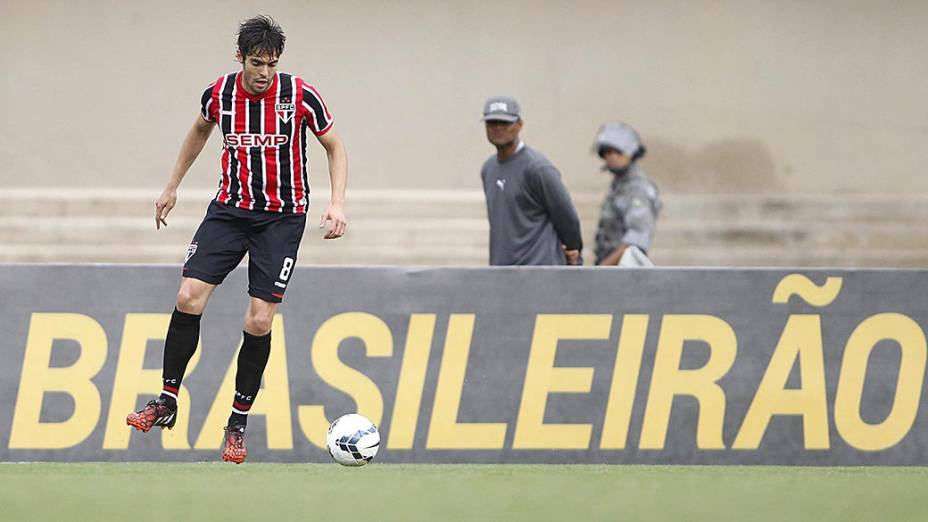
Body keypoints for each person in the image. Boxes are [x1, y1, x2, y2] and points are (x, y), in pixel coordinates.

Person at [125, 15, 348, 464]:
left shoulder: (301, 95)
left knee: (259, 321)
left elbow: (335, 147)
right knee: (188, 296)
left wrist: (336, 201)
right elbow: (199, 130)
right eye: (255, 62)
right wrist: (172, 186)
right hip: (229, 211)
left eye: (271, 62)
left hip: (281, 219)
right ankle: (166, 400)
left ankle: (237, 423)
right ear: (239, 58)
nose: (264, 72)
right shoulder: (221, 93)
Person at [479, 96, 583, 266]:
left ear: (520, 125)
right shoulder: (488, 169)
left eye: (505, 123)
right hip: (501, 272)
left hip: (538, 271)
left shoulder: (537, 168)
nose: (498, 128)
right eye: (492, 123)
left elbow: (566, 216)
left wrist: (573, 251)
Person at [592, 122, 661, 266]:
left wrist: (603, 268)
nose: (612, 157)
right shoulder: (619, 186)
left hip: (624, 270)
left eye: (618, 152)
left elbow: (636, 239)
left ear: (631, 154)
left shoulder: (637, 188)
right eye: (608, 152)